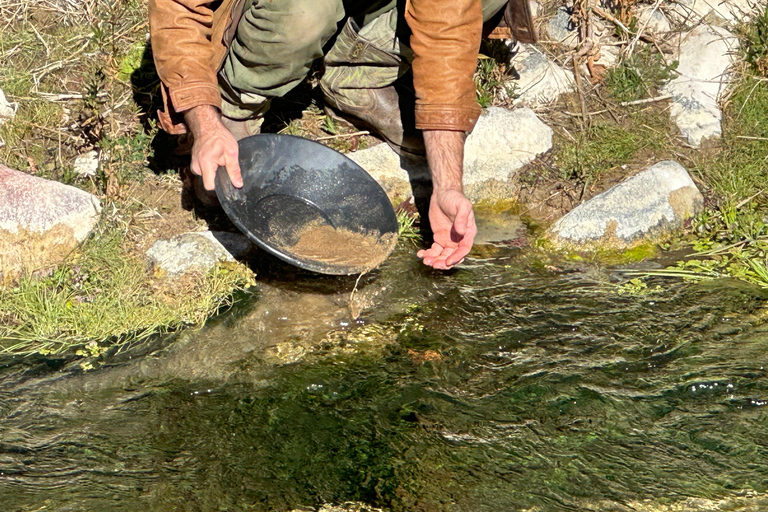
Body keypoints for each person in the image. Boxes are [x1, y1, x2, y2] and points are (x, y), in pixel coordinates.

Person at [148, 0, 535, 270]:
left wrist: (447, 186)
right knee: (305, 11)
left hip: (367, 10)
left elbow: (447, 35)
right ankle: (237, 103)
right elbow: (178, 9)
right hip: (278, 12)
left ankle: (356, 75)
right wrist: (205, 121)